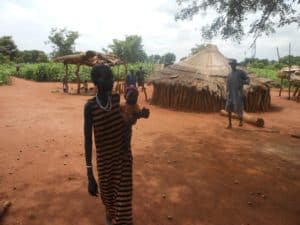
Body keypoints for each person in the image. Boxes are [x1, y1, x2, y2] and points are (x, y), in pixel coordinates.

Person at [84, 65, 134, 225]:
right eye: (108, 77)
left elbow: (126, 121)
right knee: (109, 200)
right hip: (105, 163)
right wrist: (90, 174)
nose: (112, 80)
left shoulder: (116, 99)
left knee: (123, 201)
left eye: (112, 77)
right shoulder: (90, 107)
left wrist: (136, 116)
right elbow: (88, 140)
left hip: (122, 158)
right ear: (96, 81)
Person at [121, 85, 150, 152]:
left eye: (135, 96)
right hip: (121, 127)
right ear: (125, 96)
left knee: (126, 142)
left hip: (128, 128)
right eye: (131, 95)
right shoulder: (122, 105)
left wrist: (142, 114)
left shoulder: (135, 106)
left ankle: (126, 151)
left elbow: (138, 113)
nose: (133, 98)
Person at [225, 59, 250, 128]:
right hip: (230, 94)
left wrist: (242, 82)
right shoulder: (229, 75)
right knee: (229, 109)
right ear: (230, 65)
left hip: (238, 94)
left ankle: (241, 120)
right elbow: (228, 84)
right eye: (231, 64)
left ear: (236, 65)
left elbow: (248, 79)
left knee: (239, 109)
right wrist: (227, 92)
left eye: (233, 64)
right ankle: (230, 124)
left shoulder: (240, 72)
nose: (232, 66)